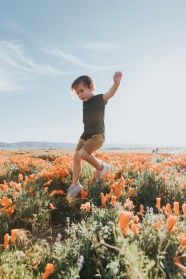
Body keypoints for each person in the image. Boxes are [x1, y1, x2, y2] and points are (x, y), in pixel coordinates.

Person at [67, 71, 123, 196]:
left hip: (97, 135)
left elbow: (110, 94)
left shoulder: (99, 99)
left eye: (82, 90)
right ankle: (75, 185)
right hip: (85, 135)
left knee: (82, 153)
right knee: (76, 156)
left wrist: (116, 83)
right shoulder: (85, 102)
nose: (80, 95)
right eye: (77, 93)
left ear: (91, 87)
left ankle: (102, 169)